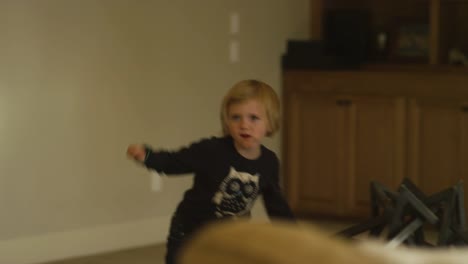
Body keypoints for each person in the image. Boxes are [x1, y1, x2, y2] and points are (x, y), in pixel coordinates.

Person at [126, 79, 295, 264]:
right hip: (189, 231)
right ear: (226, 121)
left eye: (253, 118)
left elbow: (276, 204)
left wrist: (293, 238)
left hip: (228, 236)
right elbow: (175, 161)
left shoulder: (269, 162)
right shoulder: (212, 150)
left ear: (270, 123)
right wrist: (148, 156)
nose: (244, 125)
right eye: (236, 117)